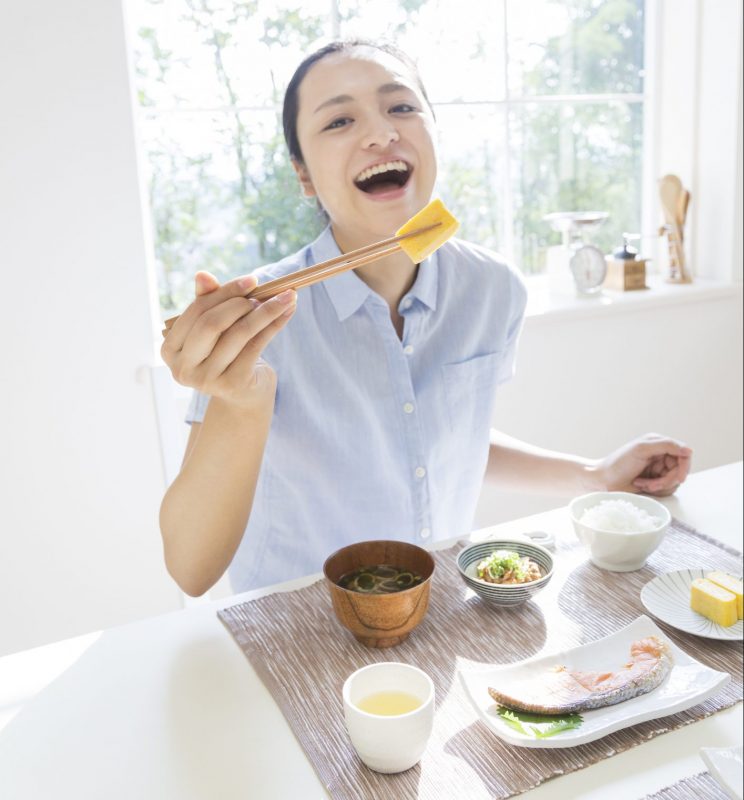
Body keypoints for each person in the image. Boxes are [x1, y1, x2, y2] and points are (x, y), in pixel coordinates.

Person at [159, 40, 692, 597]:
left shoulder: (493, 289)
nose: (381, 133)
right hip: (295, 622)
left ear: (435, 133)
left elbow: (441, 440)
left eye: (401, 107)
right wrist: (243, 403)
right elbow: (190, 568)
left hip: (440, 607)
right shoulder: (259, 320)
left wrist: (594, 476)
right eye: (339, 120)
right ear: (305, 176)